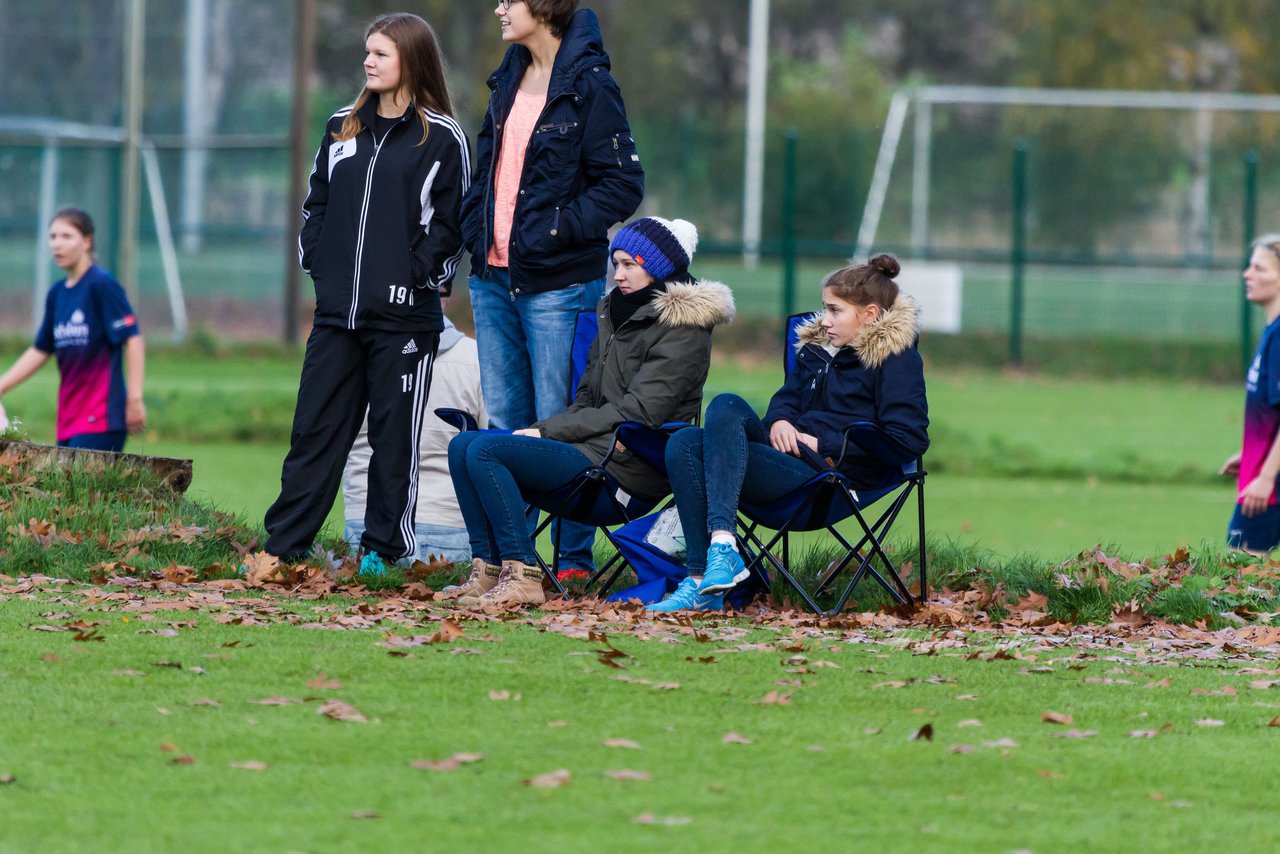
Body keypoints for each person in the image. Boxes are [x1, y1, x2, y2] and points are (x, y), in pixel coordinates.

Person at [262, 12, 471, 575]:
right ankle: (283, 549)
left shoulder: (442, 137)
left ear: (411, 59)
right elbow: (316, 208)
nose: (368, 62)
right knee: (314, 432)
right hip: (336, 316)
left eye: (380, 53)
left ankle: (380, 552)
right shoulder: (341, 127)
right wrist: (323, 274)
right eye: (367, 53)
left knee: (391, 438)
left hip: (404, 322)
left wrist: (416, 279)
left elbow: (452, 226)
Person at [445, 217, 733, 608]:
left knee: (485, 451)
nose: (619, 274)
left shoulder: (685, 328)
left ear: (659, 266)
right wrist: (544, 430)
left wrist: (546, 434)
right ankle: (489, 570)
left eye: (630, 264)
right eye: (616, 264)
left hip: (628, 467)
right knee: (464, 444)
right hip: (592, 450)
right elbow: (584, 399)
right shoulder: (613, 311)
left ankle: (523, 573)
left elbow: (639, 411)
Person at [459, 0, 644, 578]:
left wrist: (555, 230)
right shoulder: (507, 78)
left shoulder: (591, 85)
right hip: (492, 282)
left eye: (509, 1)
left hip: (558, 287)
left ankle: (570, 564)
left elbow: (623, 184)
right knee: (503, 427)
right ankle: (509, 564)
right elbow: (489, 169)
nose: (498, 9)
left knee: (559, 422)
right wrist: (474, 227)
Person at [649, 254, 929, 612]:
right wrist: (780, 422)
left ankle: (716, 561)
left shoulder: (895, 358)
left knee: (696, 441)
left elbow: (908, 439)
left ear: (870, 314)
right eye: (824, 309)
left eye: (834, 311)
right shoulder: (815, 351)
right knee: (695, 432)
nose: (824, 320)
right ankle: (707, 572)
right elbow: (784, 403)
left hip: (826, 478)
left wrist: (821, 443)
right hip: (782, 459)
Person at [342, 313, 487, 565]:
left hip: (363, 523)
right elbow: (490, 452)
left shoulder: (354, 355)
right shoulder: (476, 358)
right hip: (448, 527)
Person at [0, 207, 145, 452]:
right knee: (69, 489)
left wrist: (135, 398)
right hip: (68, 419)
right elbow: (41, 349)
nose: (57, 244)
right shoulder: (57, 294)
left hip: (101, 418)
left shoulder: (102, 285)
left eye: (66, 236)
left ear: (87, 242)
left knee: (86, 489)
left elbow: (132, 339)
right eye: (53, 237)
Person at [1221, 234, 1280, 555]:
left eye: (1259, 268)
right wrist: (1251, 454)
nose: (1247, 274)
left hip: (1268, 490)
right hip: (1265, 477)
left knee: (1239, 585)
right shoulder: (1272, 331)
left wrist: (1267, 475)